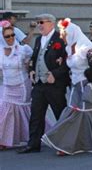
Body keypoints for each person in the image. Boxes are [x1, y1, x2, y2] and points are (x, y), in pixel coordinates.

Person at [41, 19, 92, 156]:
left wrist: (91, 73)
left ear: (71, 33)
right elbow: (68, 66)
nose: (61, 37)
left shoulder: (87, 49)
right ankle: (69, 144)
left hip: (86, 87)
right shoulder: (69, 48)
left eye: (63, 34)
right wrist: (57, 68)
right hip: (75, 86)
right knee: (73, 113)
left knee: (84, 114)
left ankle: (72, 144)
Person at [18, 14, 70, 154]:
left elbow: (68, 61)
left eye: (41, 22)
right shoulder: (39, 39)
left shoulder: (61, 38)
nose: (39, 25)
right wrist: (31, 70)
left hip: (55, 85)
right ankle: (33, 144)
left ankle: (65, 143)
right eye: (37, 22)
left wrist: (56, 74)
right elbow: (34, 58)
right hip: (40, 84)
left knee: (61, 114)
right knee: (36, 115)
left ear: (51, 24)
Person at [0, 22, 41, 149]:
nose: (11, 38)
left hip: (22, 85)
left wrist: (30, 66)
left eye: (12, 35)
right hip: (7, 85)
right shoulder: (0, 52)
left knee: (23, 111)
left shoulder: (23, 49)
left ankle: (33, 135)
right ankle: (3, 140)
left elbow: (34, 60)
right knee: (5, 111)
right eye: (7, 36)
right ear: (3, 38)